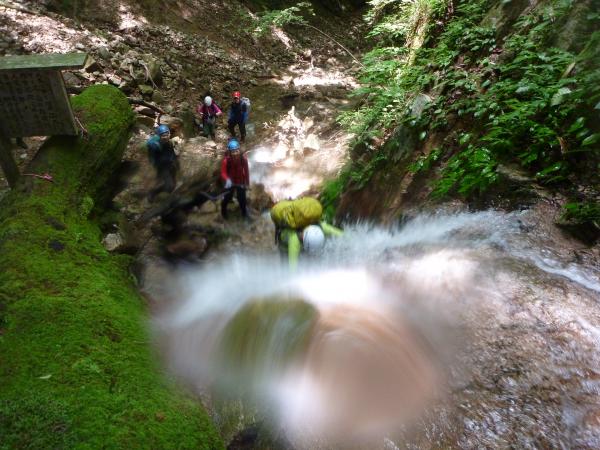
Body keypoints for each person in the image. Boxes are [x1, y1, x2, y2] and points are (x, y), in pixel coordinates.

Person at [271, 197, 343, 270]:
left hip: (295, 214)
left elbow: (342, 235)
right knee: (285, 264)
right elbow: (292, 268)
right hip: (284, 245)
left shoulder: (321, 227)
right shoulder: (294, 241)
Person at [146, 123, 178, 201]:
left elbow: (171, 153)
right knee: (169, 186)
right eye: (163, 135)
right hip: (162, 167)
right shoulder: (156, 146)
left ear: (169, 134)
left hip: (170, 164)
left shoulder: (168, 143)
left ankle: (168, 192)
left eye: (167, 135)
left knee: (172, 184)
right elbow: (154, 158)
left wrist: (175, 162)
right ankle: (152, 193)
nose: (166, 137)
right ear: (159, 136)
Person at [220, 138, 250, 219]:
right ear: (230, 152)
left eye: (237, 151)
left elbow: (246, 171)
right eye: (233, 152)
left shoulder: (243, 159)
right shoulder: (226, 161)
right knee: (227, 198)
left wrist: (247, 184)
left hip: (240, 181)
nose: (235, 153)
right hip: (231, 182)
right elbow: (223, 172)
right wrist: (227, 179)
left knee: (242, 199)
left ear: (239, 150)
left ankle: (244, 214)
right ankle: (223, 212)